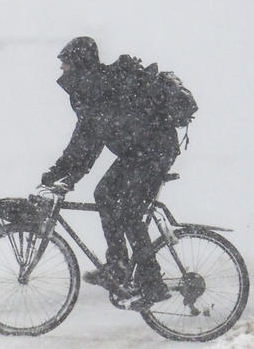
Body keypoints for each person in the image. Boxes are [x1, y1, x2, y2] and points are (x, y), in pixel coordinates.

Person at [40, 36, 179, 308]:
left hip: (153, 150)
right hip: (141, 151)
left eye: (65, 64)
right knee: (104, 193)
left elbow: (89, 141)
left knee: (129, 210)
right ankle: (117, 264)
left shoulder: (98, 88)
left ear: (78, 64)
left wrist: (66, 175)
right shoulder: (92, 88)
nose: (62, 70)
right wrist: (62, 173)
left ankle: (152, 284)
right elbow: (86, 138)